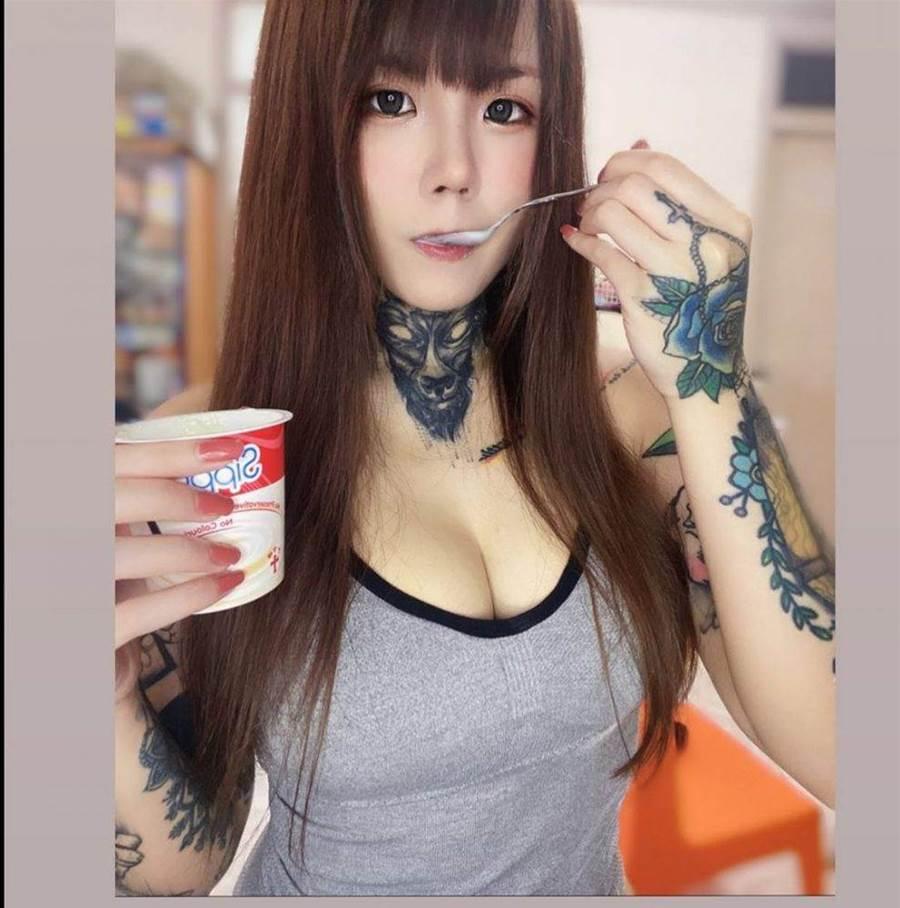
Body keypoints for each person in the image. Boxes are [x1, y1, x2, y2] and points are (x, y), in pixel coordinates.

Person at [114, 0, 836, 897]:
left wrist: (711, 380)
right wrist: (104, 695)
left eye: (503, 109)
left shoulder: (639, 411)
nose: (453, 172)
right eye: (389, 100)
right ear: (305, 121)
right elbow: (186, 862)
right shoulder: (221, 457)